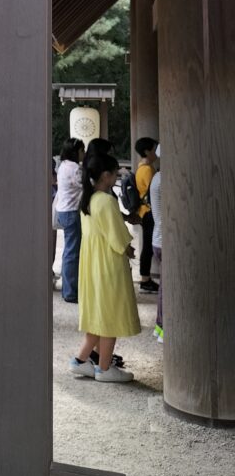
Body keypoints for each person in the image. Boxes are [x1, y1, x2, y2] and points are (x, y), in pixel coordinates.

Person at [69, 153, 140, 383]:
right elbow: (118, 237)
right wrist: (129, 250)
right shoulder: (106, 201)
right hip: (107, 264)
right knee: (110, 313)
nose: (116, 177)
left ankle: (80, 361)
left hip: (91, 263)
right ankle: (104, 368)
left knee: (98, 315)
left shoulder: (87, 200)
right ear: (106, 175)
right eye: (115, 173)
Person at [54, 138, 85, 303]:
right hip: (72, 212)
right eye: (82, 150)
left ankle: (68, 288)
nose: (84, 153)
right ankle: (70, 291)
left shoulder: (63, 165)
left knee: (69, 251)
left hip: (64, 211)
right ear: (76, 151)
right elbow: (87, 185)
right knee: (72, 253)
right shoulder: (74, 168)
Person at [134, 137, 159, 293]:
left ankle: (145, 278)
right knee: (148, 246)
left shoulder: (141, 167)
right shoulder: (148, 170)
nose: (156, 152)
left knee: (147, 245)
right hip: (149, 211)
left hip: (144, 211)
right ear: (147, 151)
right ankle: (145, 279)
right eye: (154, 148)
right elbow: (153, 192)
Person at [150, 155, 163, 342]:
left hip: (158, 237)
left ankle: (161, 326)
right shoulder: (166, 179)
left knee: (165, 287)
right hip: (164, 239)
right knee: (168, 288)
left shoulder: (157, 177)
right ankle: (164, 327)